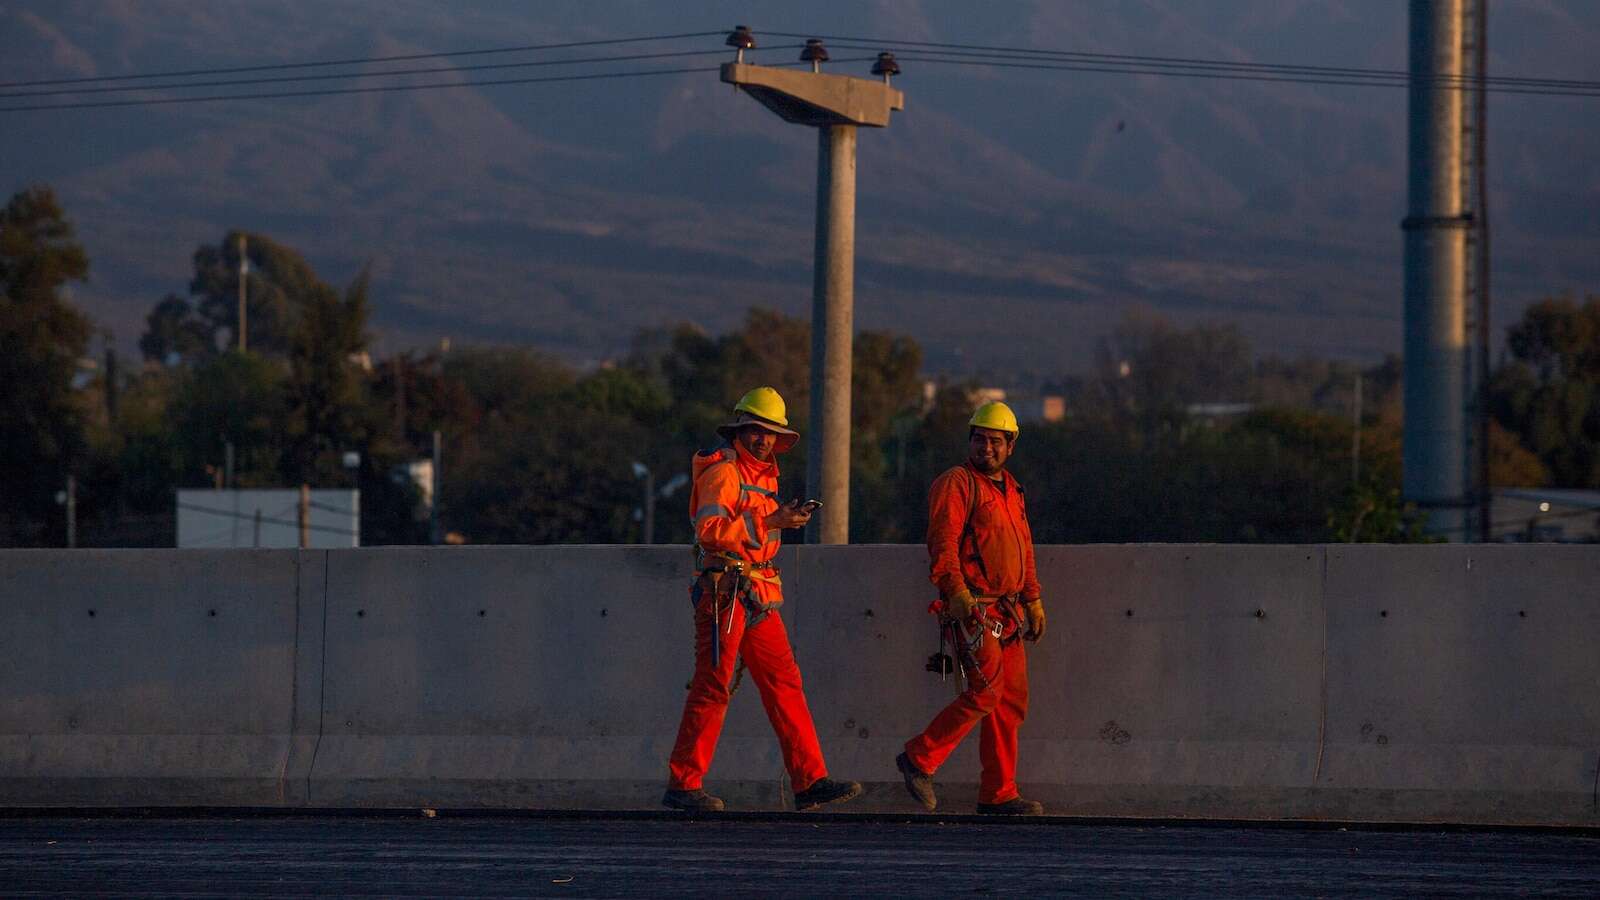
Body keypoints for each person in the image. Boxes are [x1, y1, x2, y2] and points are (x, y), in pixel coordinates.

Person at [662, 387, 862, 812]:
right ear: (739, 430)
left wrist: (776, 521)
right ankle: (682, 784)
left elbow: (746, 531)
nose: (763, 440)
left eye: (770, 433)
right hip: (725, 593)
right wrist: (773, 520)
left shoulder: (765, 474)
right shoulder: (723, 471)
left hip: (754, 594)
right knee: (713, 686)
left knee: (785, 685)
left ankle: (810, 782)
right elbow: (710, 532)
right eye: (756, 430)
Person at [896, 401, 1047, 815]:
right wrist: (956, 594)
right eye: (980, 439)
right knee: (986, 691)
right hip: (974, 608)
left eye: (996, 441)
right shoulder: (957, 484)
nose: (987, 448)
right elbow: (942, 543)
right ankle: (919, 758)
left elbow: (1024, 548)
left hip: (1008, 610)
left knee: (1010, 700)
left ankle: (998, 793)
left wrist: (1032, 597)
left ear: (1010, 445)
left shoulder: (1012, 489)